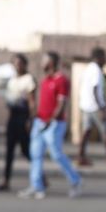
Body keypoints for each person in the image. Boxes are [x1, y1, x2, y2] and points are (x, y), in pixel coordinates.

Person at [18, 52, 83, 199]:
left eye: (44, 60)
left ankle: (76, 181)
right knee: (35, 155)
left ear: (51, 62)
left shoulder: (62, 80)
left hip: (55, 124)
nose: (41, 62)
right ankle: (36, 186)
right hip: (39, 122)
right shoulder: (45, 80)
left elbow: (61, 103)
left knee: (56, 154)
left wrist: (51, 120)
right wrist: (33, 118)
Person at [77, 47, 106, 169]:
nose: (105, 60)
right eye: (104, 57)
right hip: (95, 106)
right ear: (99, 57)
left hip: (85, 105)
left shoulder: (87, 69)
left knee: (86, 132)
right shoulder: (96, 70)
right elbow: (95, 91)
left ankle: (80, 157)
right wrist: (103, 109)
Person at [0, 54, 36, 191]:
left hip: (23, 116)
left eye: (20, 63)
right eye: (15, 64)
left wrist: (30, 119)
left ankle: (39, 176)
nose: (17, 66)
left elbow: (31, 101)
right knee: (9, 150)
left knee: (26, 150)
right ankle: (6, 180)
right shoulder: (12, 80)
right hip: (13, 116)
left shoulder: (29, 79)